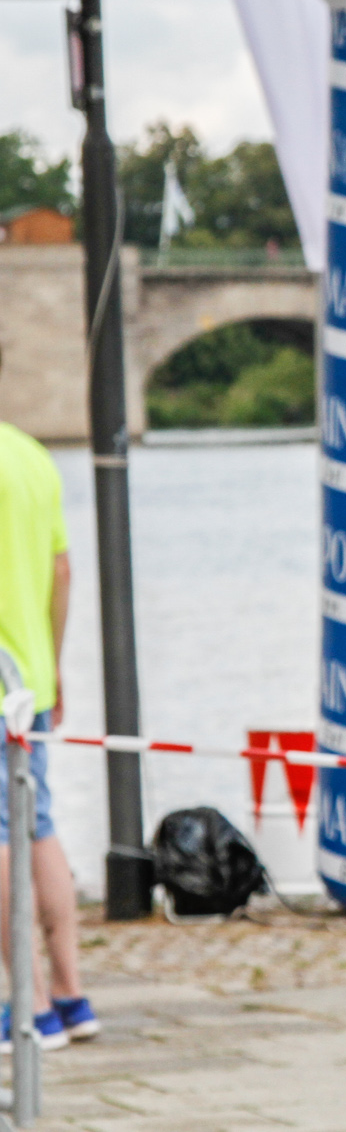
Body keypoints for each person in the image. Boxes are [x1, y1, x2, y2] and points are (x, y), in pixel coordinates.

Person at [0, 388, 98, 1053]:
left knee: (2, 832)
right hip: (30, 678)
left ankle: (29, 1007)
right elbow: (61, 571)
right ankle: (69, 994)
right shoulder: (32, 456)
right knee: (38, 822)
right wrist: (54, 666)